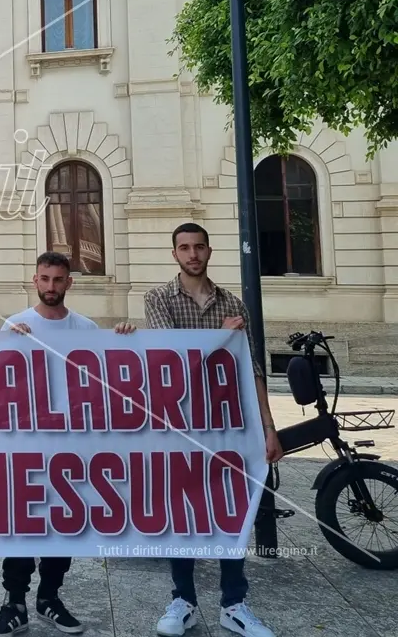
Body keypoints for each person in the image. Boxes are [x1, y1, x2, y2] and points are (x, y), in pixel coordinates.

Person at [144, 223, 282, 637]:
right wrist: (221, 335)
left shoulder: (233, 303)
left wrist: (269, 428)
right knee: (184, 511)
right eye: (184, 248)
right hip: (181, 425)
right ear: (175, 254)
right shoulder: (158, 299)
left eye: (198, 247)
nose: (192, 254)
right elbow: (170, 358)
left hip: (229, 424)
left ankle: (234, 603)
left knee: (231, 510)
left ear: (209, 250)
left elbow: (252, 369)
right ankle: (182, 599)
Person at [0, 251, 136, 637]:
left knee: (63, 525)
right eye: (44, 279)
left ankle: (49, 597)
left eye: (58, 280)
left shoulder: (86, 329)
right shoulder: (16, 324)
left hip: (71, 447)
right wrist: (11, 348)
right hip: (26, 446)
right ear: (35, 281)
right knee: (23, 526)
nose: (51, 286)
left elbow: (112, 375)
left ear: (69, 282)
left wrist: (129, 339)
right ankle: (14, 602)